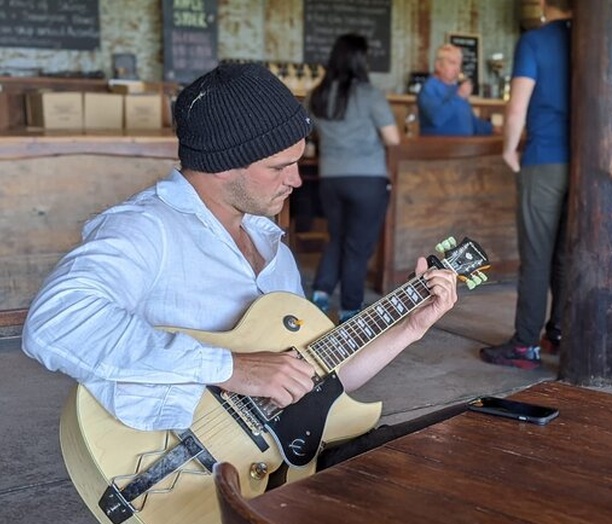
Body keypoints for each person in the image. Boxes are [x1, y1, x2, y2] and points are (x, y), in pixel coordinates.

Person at [21, 62, 457, 436]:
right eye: (279, 167)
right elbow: (55, 322)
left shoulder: (273, 249)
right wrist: (231, 367)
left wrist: (410, 327)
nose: (297, 181)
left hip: (267, 465)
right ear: (224, 166)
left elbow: (312, 378)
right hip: (168, 466)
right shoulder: (146, 228)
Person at [479, 0, 572, 369]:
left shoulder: (535, 41)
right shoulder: (591, 41)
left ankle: (525, 343)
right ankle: (560, 331)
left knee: (536, 257)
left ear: (545, 5)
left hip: (544, 159)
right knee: (567, 256)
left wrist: (508, 150)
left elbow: (516, 107)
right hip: (584, 166)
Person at [306, 34, 401, 323]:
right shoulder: (369, 94)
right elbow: (393, 138)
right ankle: (350, 309)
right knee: (358, 247)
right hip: (367, 179)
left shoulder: (317, 94)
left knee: (338, 237)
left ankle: (321, 294)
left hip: (331, 180)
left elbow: (306, 136)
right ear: (360, 60)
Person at [416, 43, 494, 136]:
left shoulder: (455, 89)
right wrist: (459, 96)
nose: (457, 69)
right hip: (439, 148)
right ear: (438, 65)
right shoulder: (429, 88)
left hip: (464, 147)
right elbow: (436, 118)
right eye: (452, 63)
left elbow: (471, 123)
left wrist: (493, 129)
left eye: (459, 64)